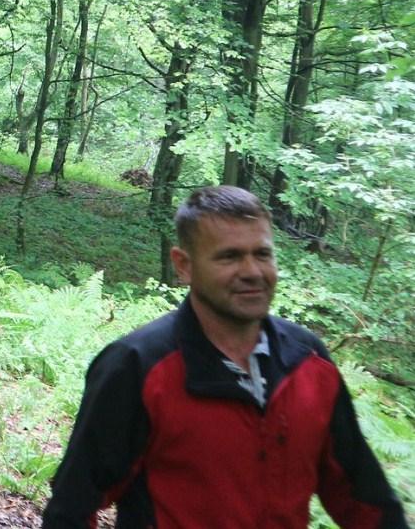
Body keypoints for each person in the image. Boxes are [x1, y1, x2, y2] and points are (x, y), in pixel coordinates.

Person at [42, 185, 407, 529]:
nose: (251, 271)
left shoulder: (309, 362)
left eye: (262, 254)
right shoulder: (138, 366)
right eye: (230, 256)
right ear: (184, 265)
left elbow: (364, 499)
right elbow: (73, 505)